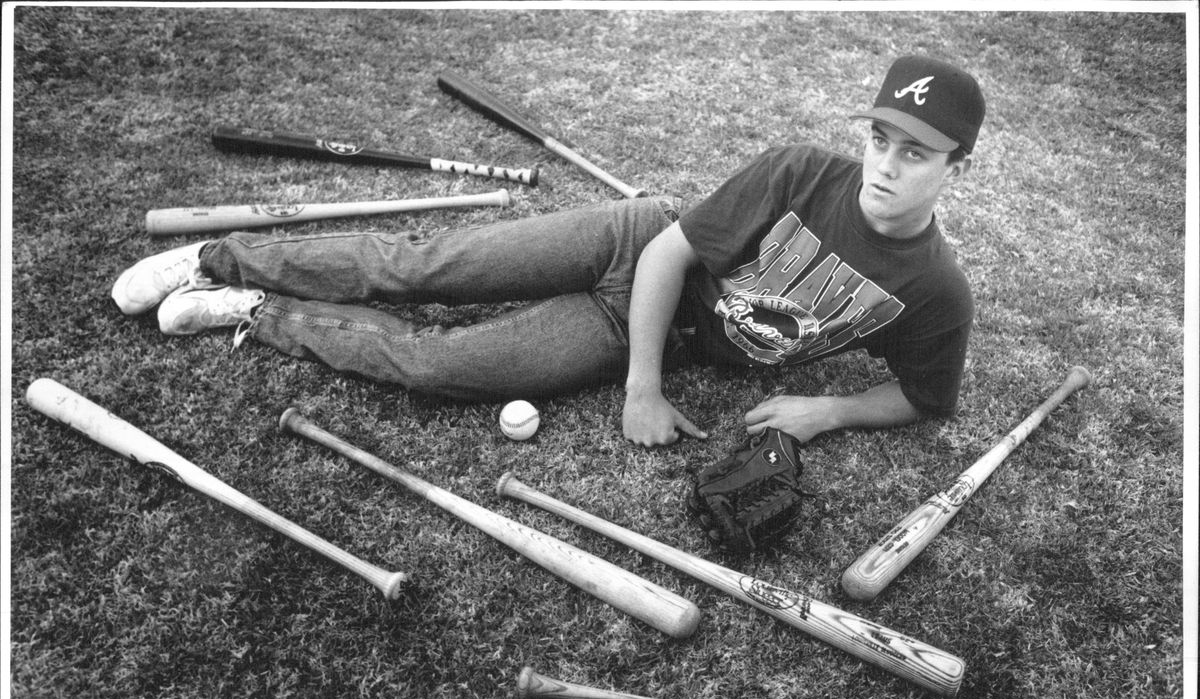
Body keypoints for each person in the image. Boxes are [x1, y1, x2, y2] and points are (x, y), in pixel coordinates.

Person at [112, 54, 985, 449]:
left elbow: (923, 396)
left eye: (914, 153)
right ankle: (217, 258)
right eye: (879, 138)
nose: (885, 165)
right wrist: (642, 389)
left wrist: (829, 410)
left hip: (659, 331)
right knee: (424, 268)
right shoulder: (801, 172)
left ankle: (259, 311)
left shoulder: (935, 291)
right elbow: (668, 254)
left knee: (442, 366)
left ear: (958, 166)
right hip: (633, 244)